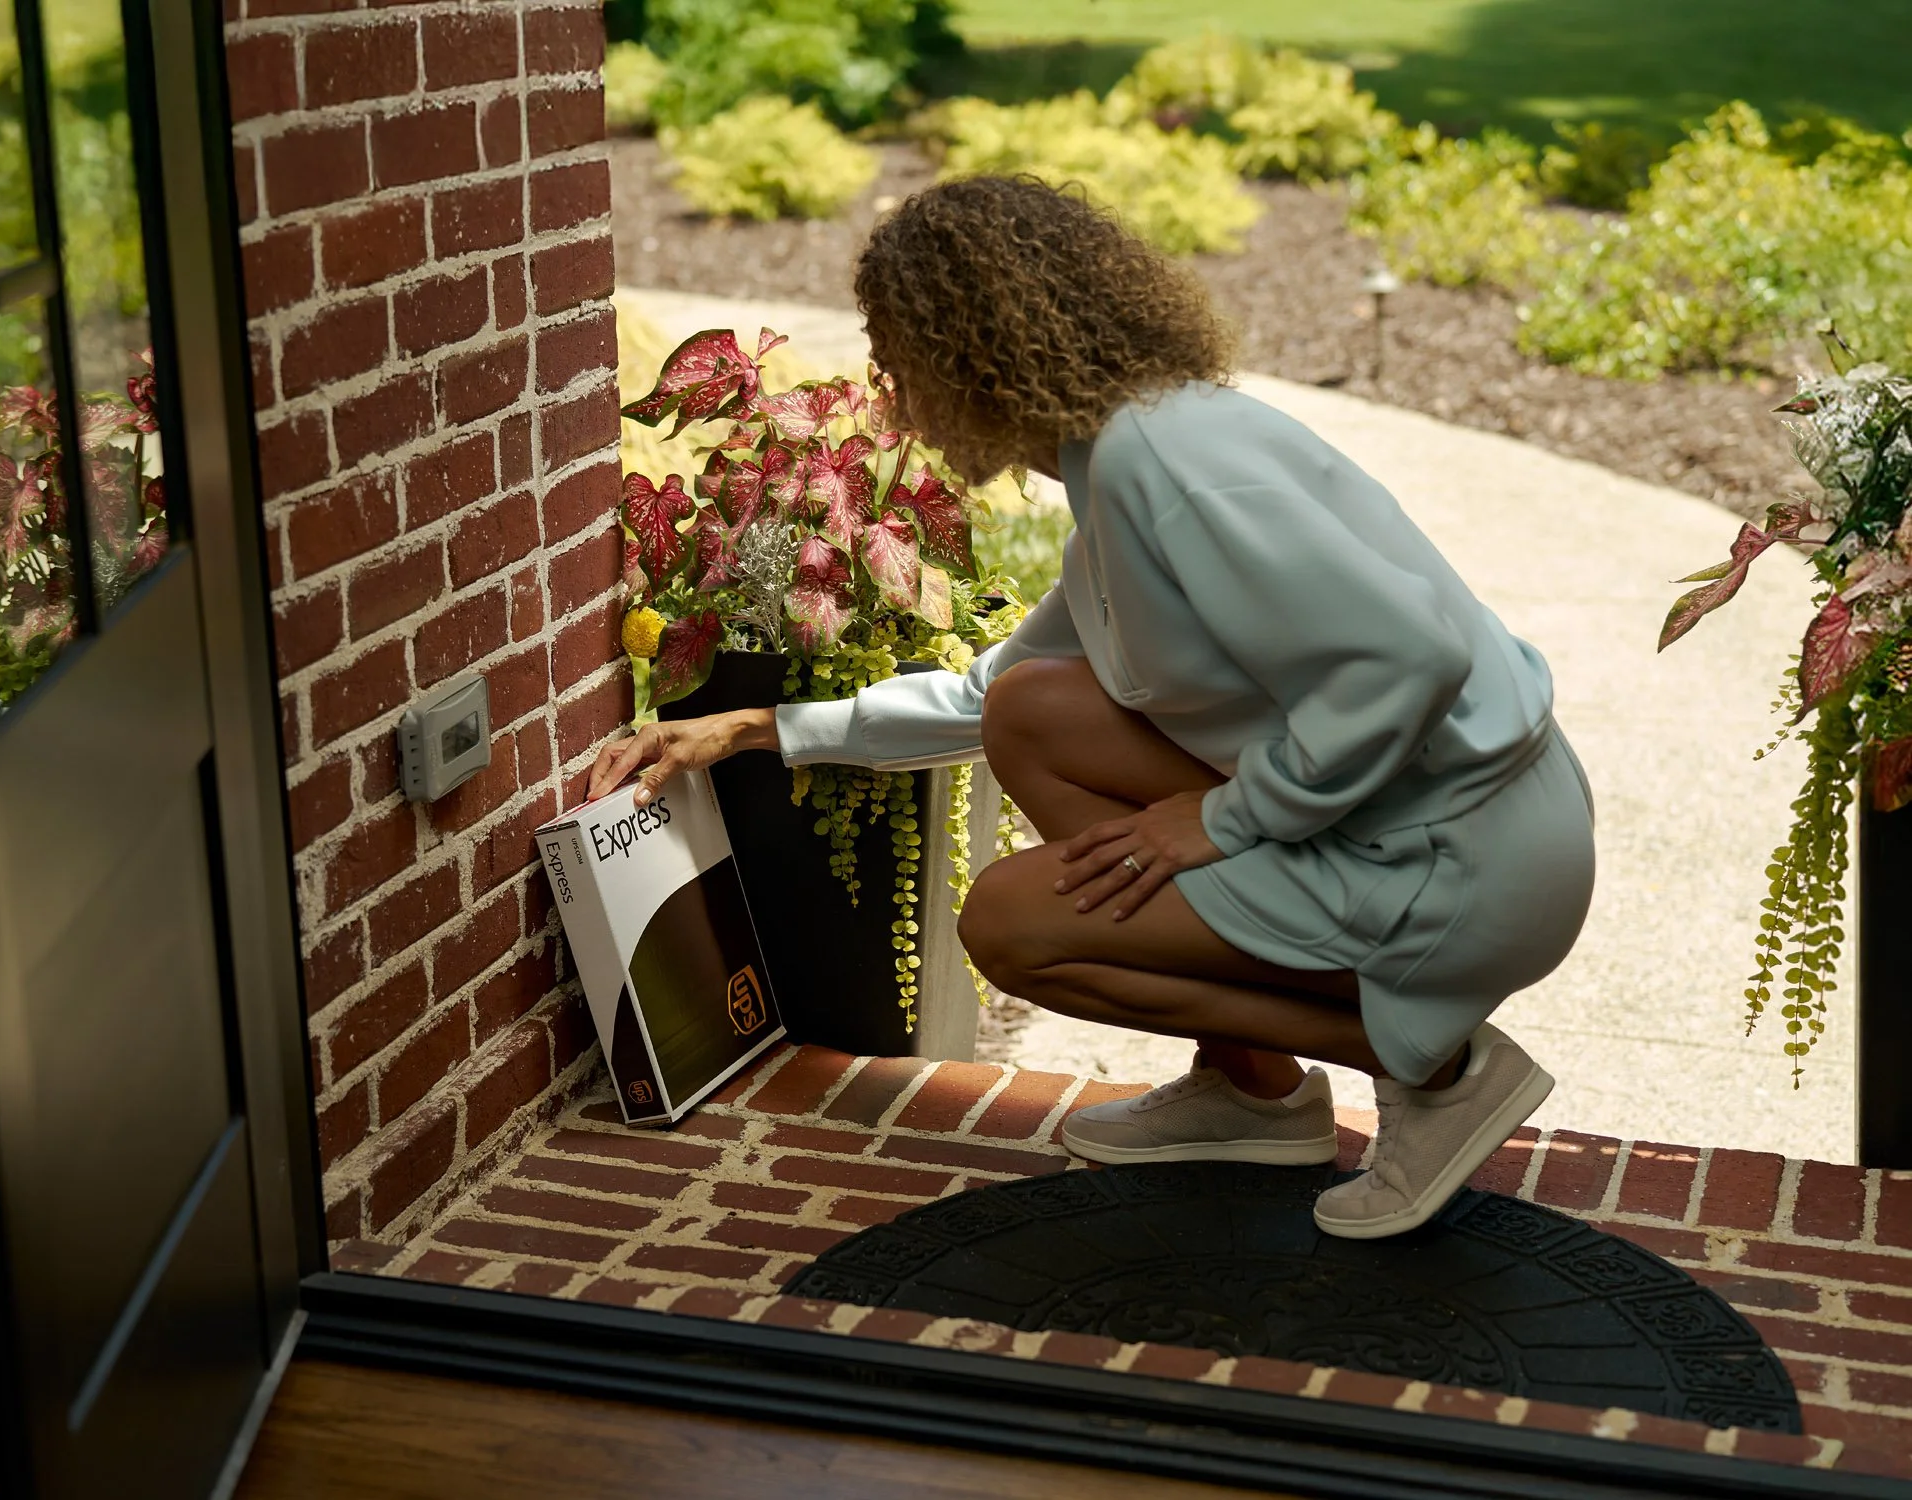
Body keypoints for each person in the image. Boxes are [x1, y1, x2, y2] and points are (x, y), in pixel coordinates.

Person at [587, 175, 1596, 1241]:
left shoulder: (1165, 464)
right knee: (1035, 712)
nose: (892, 396)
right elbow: (990, 702)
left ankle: (1437, 1074)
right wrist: (758, 729)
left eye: (900, 361)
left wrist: (1220, 821)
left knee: (1014, 925)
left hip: (1467, 854)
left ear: (970, 357)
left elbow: (1410, 659)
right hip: (1407, 819)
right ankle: (1254, 1090)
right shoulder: (1122, 467)